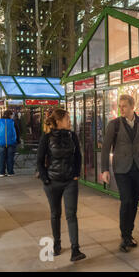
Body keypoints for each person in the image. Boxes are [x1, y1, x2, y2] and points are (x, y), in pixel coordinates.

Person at [101, 94, 139, 253]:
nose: (121, 109)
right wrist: (104, 169)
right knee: (126, 201)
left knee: (134, 202)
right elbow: (105, 148)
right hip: (121, 169)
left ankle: (129, 233)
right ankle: (124, 236)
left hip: (138, 167)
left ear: (133, 107)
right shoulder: (114, 125)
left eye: (124, 106)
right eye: (120, 106)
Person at [37, 109, 86, 262]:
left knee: (71, 215)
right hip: (52, 182)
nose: (70, 121)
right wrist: (45, 179)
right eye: (67, 119)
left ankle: (75, 249)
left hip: (70, 181)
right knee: (55, 214)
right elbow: (39, 160)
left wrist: (76, 174)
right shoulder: (47, 137)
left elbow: (78, 155)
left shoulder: (73, 136)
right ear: (58, 121)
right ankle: (56, 245)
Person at [0, 110, 19, 177]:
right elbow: (17, 132)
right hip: (11, 142)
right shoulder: (13, 122)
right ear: (10, 115)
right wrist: (17, 141)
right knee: (10, 158)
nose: (12, 116)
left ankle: (2, 172)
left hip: (1, 143)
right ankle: (10, 172)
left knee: (2, 158)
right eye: (12, 115)